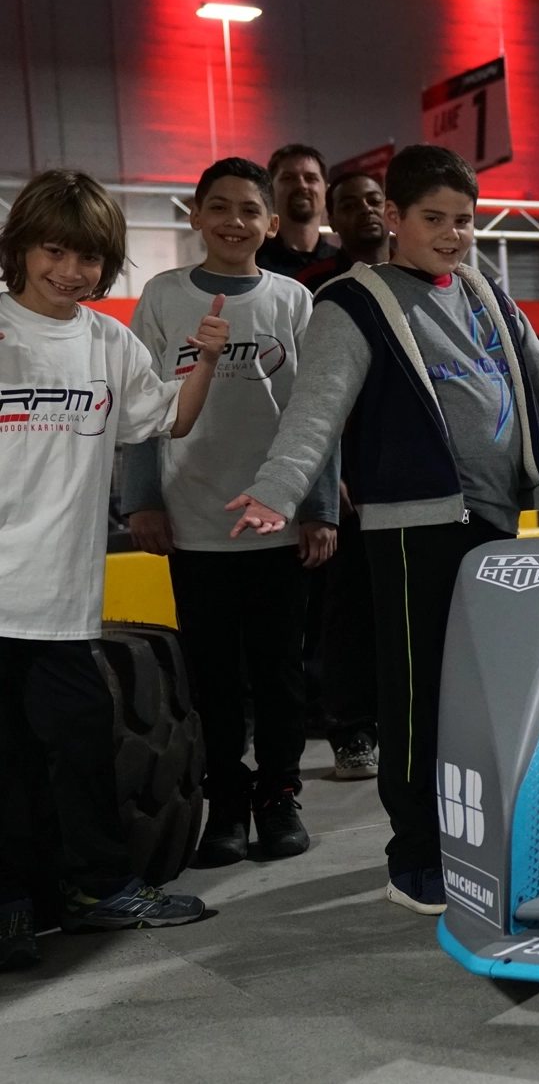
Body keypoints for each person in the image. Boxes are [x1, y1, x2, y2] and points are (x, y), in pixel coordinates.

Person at [225, 144, 539, 915]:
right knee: (416, 697)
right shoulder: (353, 302)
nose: (452, 234)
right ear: (392, 218)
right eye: (433, 219)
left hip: (496, 521)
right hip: (412, 531)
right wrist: (280, 488)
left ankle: (482, 838)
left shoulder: (485, 292)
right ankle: (414, 851)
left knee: (486, 694)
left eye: (464, 220)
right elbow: (315, 414)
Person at [0, 170, 226, 967]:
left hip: (60, 595)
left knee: (81, 744)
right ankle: (12, 906)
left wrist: (205, 359)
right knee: (8, 762)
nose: (71, 270)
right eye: (54, 250)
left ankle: (97, 889)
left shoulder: (107, 341)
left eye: (89, 257)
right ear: (20, 248)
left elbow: (169, 416)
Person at [121, 157, 335, 866]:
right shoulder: (162, 296)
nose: (234, 221)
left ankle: (278, 794)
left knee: (279, 672)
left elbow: (316, 412)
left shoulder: (291, 301)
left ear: (272, 223)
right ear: (195, 216)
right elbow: (142, 408)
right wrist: (144, 499)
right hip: (194, 521)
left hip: (275, 521)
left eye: (250, 209)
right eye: (219, 207)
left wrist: (317, 507)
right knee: (214, 675)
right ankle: (227, 801)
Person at [296, 168, 389, 780]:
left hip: (418, 481)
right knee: (350, 614)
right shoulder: (316, 291)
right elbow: (304, 396)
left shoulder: (428, 284)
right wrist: (328, 480)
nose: (365, 210)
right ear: (334, 218)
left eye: (374, 200)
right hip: (351, 487)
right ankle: (352, 732)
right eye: (349, 203)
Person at [297, 170, 389, 292]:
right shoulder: (310, 283)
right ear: (332, 222)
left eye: (374, 201)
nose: (366, 209)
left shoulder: (416, 272)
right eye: (350, 206)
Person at [256, 144, 336, 276]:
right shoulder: (252, 266)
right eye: (288, 178)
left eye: (311, 178)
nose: (301, 185)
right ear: (269, 192)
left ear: (327, 192)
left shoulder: (344, 266)